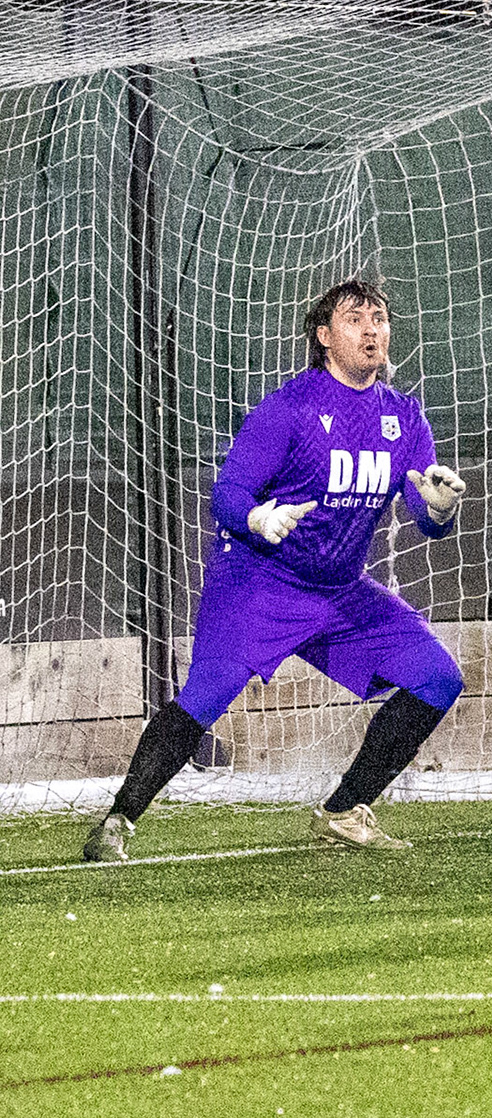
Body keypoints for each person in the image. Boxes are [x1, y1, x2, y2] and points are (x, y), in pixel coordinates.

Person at [82, 279, 468, 862]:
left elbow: (425, 512)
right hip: (259, 580)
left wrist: (440, 509)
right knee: (206, 695)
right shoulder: (290, 408)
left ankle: (343, 811)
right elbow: (227, 494)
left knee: (438, 679)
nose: (372, 329)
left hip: (339, 590)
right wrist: (258, 518)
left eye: (380, 318)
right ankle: (117, 821)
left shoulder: (404, 415)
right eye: (356, 319)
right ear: (325, 336)